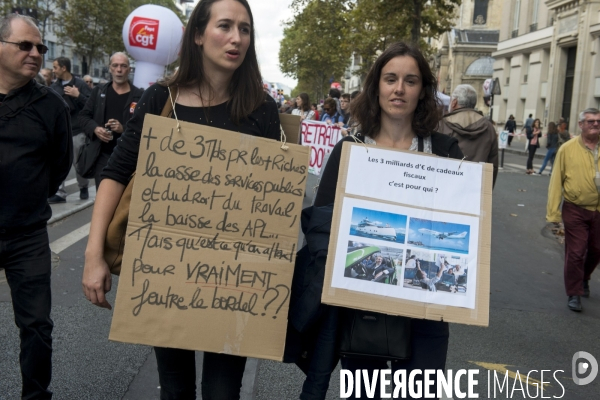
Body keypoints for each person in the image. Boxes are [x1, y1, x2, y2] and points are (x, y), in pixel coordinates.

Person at [81, 0, 281, 398]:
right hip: (166, 273)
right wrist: (93, 254)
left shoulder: (263, 111)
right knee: (175, 389)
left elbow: (275, 199)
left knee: (223, 391)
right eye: (225, 26)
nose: (236, 38)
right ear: (197, 34)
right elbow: (117, 173)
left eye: (245, 29)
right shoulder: (160, 99)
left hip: (235, 280)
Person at [308, 42, 463, 399]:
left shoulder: (445, 151)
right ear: (376, 85)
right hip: (362, 310)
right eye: (390, 79)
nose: (399, 89)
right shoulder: (349, 149)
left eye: (410, 81)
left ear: (422, 90)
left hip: (427, 310)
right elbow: (319, 225)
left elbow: (465, 221)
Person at [0, 14, 72, 399]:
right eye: (24, 45)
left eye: (40, 48)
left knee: (36, 326)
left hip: (27, 234)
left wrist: (27, 195)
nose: (35, 53)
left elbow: (60, 164)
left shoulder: (51, 106)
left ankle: (35, 394)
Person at [547, 108, 600, 312]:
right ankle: (574, 293)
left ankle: (584, 277)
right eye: (590, 121)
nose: (595, 124)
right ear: (581, 125)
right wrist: (553, 213)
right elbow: (556, 182)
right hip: (575, 208)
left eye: (598, 121)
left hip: (598, 210)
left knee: (596, 250)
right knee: (576, 252)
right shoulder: (567, 149)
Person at [79, 52, 143, 189]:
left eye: (123, 66)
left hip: (129, 159)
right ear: (110, 68)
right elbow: (84, 116)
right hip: (103, 156)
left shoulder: (139, 96)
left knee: (123, 205)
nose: (119, 70)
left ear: (129, 69)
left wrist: (123, 129)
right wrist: (95, 129)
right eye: (115, 65)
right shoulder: (99, 92)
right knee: (104, 201)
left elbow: (147, 128)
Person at [48, 56, 92, 203]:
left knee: (79, 163)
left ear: (63, 68)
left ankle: (83, 187)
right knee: (58, 162)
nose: (53, 71)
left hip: (77, 130)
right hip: (60, 132)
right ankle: (59, 193)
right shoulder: (54, 87)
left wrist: (78, 95)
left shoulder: (80, 84)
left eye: (55, 67)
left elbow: (91, 105)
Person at [437, 83, 499, 186]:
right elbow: (493, 165)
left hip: (446, 187)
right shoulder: (488, 127)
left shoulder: (442, 125)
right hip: (475, 188)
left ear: (454, 102)